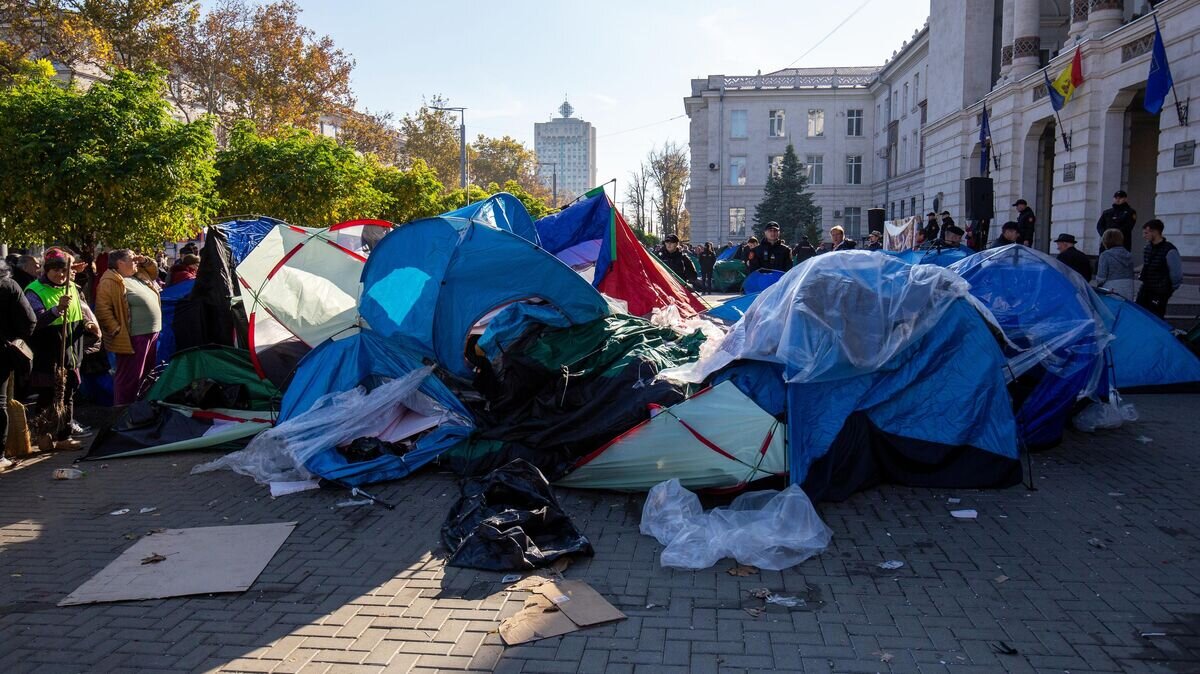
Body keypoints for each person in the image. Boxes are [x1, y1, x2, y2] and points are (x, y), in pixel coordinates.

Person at [23, 254, 100, 450]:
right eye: (55, 270)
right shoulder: (35, 291)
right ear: (46, 270)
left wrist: (88, 324)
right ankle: (43, 436)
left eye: (64, 270)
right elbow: (34, 322)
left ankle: (64, 436)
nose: (60, 274)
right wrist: (56, 311)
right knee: (48, 395)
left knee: (68, 394)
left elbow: (79, 313)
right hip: (48, 353)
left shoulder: (72, 287)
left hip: (71, 351)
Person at [97, 249, 162, 406]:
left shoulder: (138, 275)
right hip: (133, 336)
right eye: (132, 259)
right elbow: (102, 309)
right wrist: (116, 330)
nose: (136, 262)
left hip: (150, 333)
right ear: (120, 263)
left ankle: (141, 409)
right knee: (130, 378)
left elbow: (154, 271)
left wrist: (144, 260)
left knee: (147, 375)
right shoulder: (111, 280)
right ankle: (123, 412)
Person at [2, 260, 37, 458]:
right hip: (4, 350)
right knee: (1, 402)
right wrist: (17, 338)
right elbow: (29, 320)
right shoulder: (9, 285)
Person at [1136, 219, 1182, 318]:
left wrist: (1169, 289)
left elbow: (1176, 273)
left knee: (1156, 317)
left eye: (1146, 233)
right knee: (1139, 313)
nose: (1144, 236)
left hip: (1160, 291)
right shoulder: (1147, 248)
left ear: (1155, 232)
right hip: (1146, 288)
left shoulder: (1170, 250)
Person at [1093, 228, 1135, 299]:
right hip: (1128, 287)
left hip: (1111, 288)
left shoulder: (1105, 255)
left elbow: (1101, 277)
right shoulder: (1129, 254)